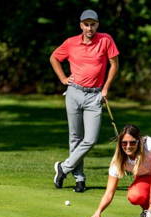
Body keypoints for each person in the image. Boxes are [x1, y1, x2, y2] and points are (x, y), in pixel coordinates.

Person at [50, 9, 119, 193]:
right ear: (81, 25)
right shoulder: (71, 43)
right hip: (74, 93)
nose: (90, 28)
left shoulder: (105, 40)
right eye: (86, 24)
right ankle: (79, 179)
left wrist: (106, 88)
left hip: (94, 95)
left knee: (90, 139)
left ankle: (63, 168)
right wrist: (63, 79)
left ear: (97, 24)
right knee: (75, 138)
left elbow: (114, 64)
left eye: (93, 24)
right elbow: (54, 58)